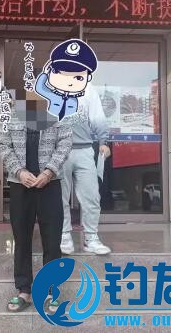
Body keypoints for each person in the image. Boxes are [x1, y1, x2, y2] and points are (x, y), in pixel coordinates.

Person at [0, 92, 72, 312]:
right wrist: (19, 172)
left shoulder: (59, 113)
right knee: (22, 239)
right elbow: (3, 145)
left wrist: (49, 172)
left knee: (52, 239)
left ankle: (51, 290)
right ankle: (24, 290)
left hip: (50, 184)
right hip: (21, 185)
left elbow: (65, 143)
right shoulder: (10, 114)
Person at [60, 83, 112, 255]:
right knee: (60, 197)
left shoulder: (87, 88)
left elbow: (97, 116)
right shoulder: (49, 84)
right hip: (58, 150)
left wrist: (103, 141)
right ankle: (64, 235)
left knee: (91, 196)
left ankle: (91, 238)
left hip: (84, 149)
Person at [34, 39, 97, 121]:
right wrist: (45, 74)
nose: (68, 82)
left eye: (78, 78)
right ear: (50, 71)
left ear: (88, 78)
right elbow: (40, 88)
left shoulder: (80, 99)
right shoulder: (54, 96)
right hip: (51, 122)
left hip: (71, 125)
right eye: (58, 73)